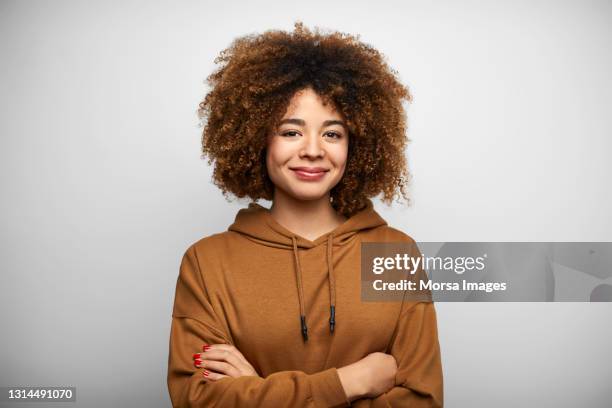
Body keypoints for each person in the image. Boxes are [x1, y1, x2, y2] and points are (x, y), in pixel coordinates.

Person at [167, 21, 443, 407]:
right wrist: (352, 382)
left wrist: (257, 390)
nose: (313, 150)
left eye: (332, 134)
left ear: (357, 146)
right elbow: (199, 400)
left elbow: (422, 401)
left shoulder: (395, 255)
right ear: (257, 140)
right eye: (291, 132)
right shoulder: (207, 262)